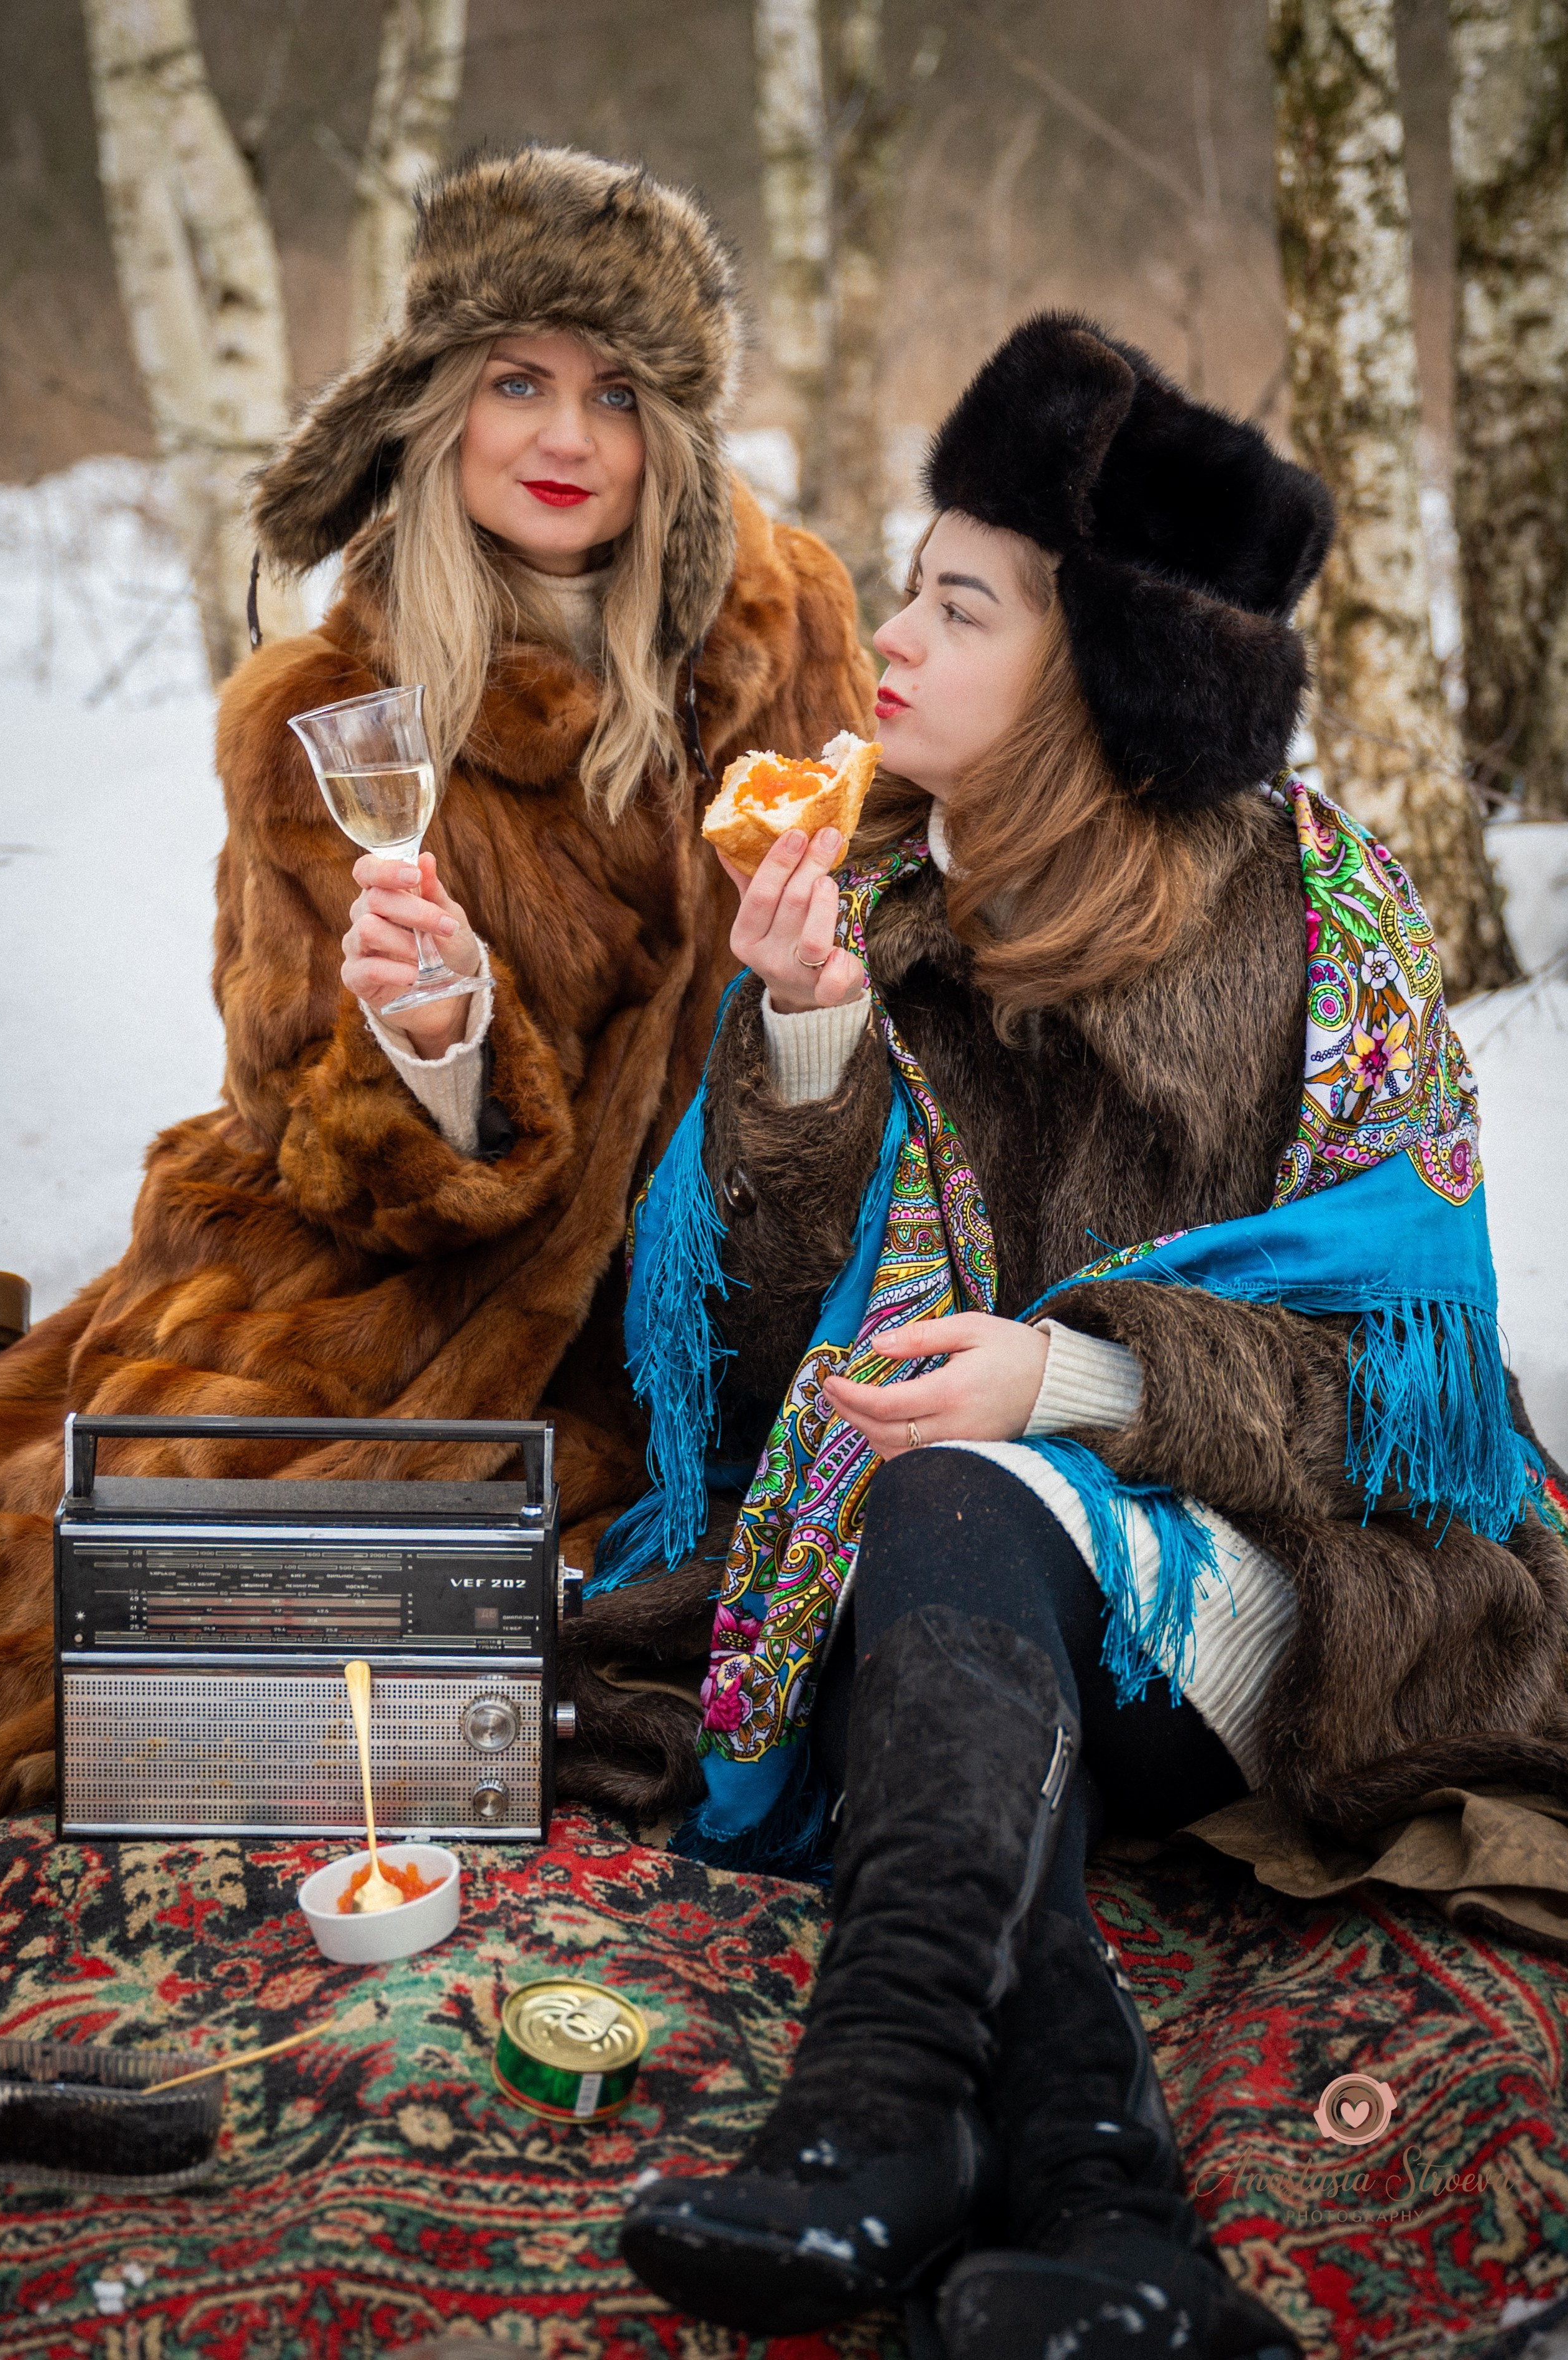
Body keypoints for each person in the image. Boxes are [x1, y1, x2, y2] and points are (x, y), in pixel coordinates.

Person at [613, 316, 1568, 2355]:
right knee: (937, 1497)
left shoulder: (1318, 916)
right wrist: (799, 1034)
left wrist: (1079, 1386)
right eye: (907, 581)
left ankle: (873, 2112)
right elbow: (785, 1357)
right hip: (957, 1604)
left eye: (959, 607)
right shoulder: (862, 884)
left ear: (1099, 671)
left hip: (1293, 1583)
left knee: (960, 1483)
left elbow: (1423, 1408)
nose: (886, 637)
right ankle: (1100, 2214)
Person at [0, 145, 875, 1809]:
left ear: (670, 435)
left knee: (827, 1585)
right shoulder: (322, 707)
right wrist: (438, 1050)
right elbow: (292, 1115)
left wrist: (818, 1008)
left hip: (720, 1266)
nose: (565, 438)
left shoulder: (782, 625)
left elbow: (888, 959)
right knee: (134, 1576)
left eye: (617, 395)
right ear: (432, 405)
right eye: (515, 381)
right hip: (404, 1280)